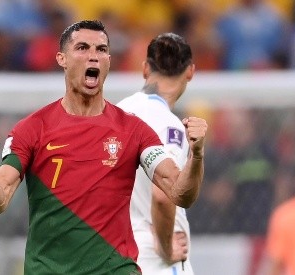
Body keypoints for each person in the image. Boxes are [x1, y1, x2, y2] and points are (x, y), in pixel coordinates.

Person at [0, 20, 207, 274]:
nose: (93, 56)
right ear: (62, 58)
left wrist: (196, 155)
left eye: (101, 49)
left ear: (108, 60)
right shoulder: (32, 129)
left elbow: (180, 193)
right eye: (83, 48)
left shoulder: (133, 129)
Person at [117, 33, 197, 275]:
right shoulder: (169, 126)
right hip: (153, 257)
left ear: (144, 68)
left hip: (114, 250)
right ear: (190, 72)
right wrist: (164, 249)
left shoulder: (116, 113)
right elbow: (162, 195)